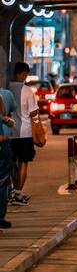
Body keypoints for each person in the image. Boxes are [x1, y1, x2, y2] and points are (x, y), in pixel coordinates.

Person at [7, 62, 39, 205]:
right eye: (25, 74)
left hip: (8, 133)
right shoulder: (27, 91)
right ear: (22, 74)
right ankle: (18, 193)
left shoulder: (6, 88)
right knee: (23, 163)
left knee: (10, 163)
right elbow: (33, 112)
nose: (25, 77)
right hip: (24, 133)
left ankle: (11, 191)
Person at [0, 85, 15, 230]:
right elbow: (7, 117)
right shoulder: (2, 96)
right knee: (3, 180)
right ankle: (0, 216)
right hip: (2, 143)